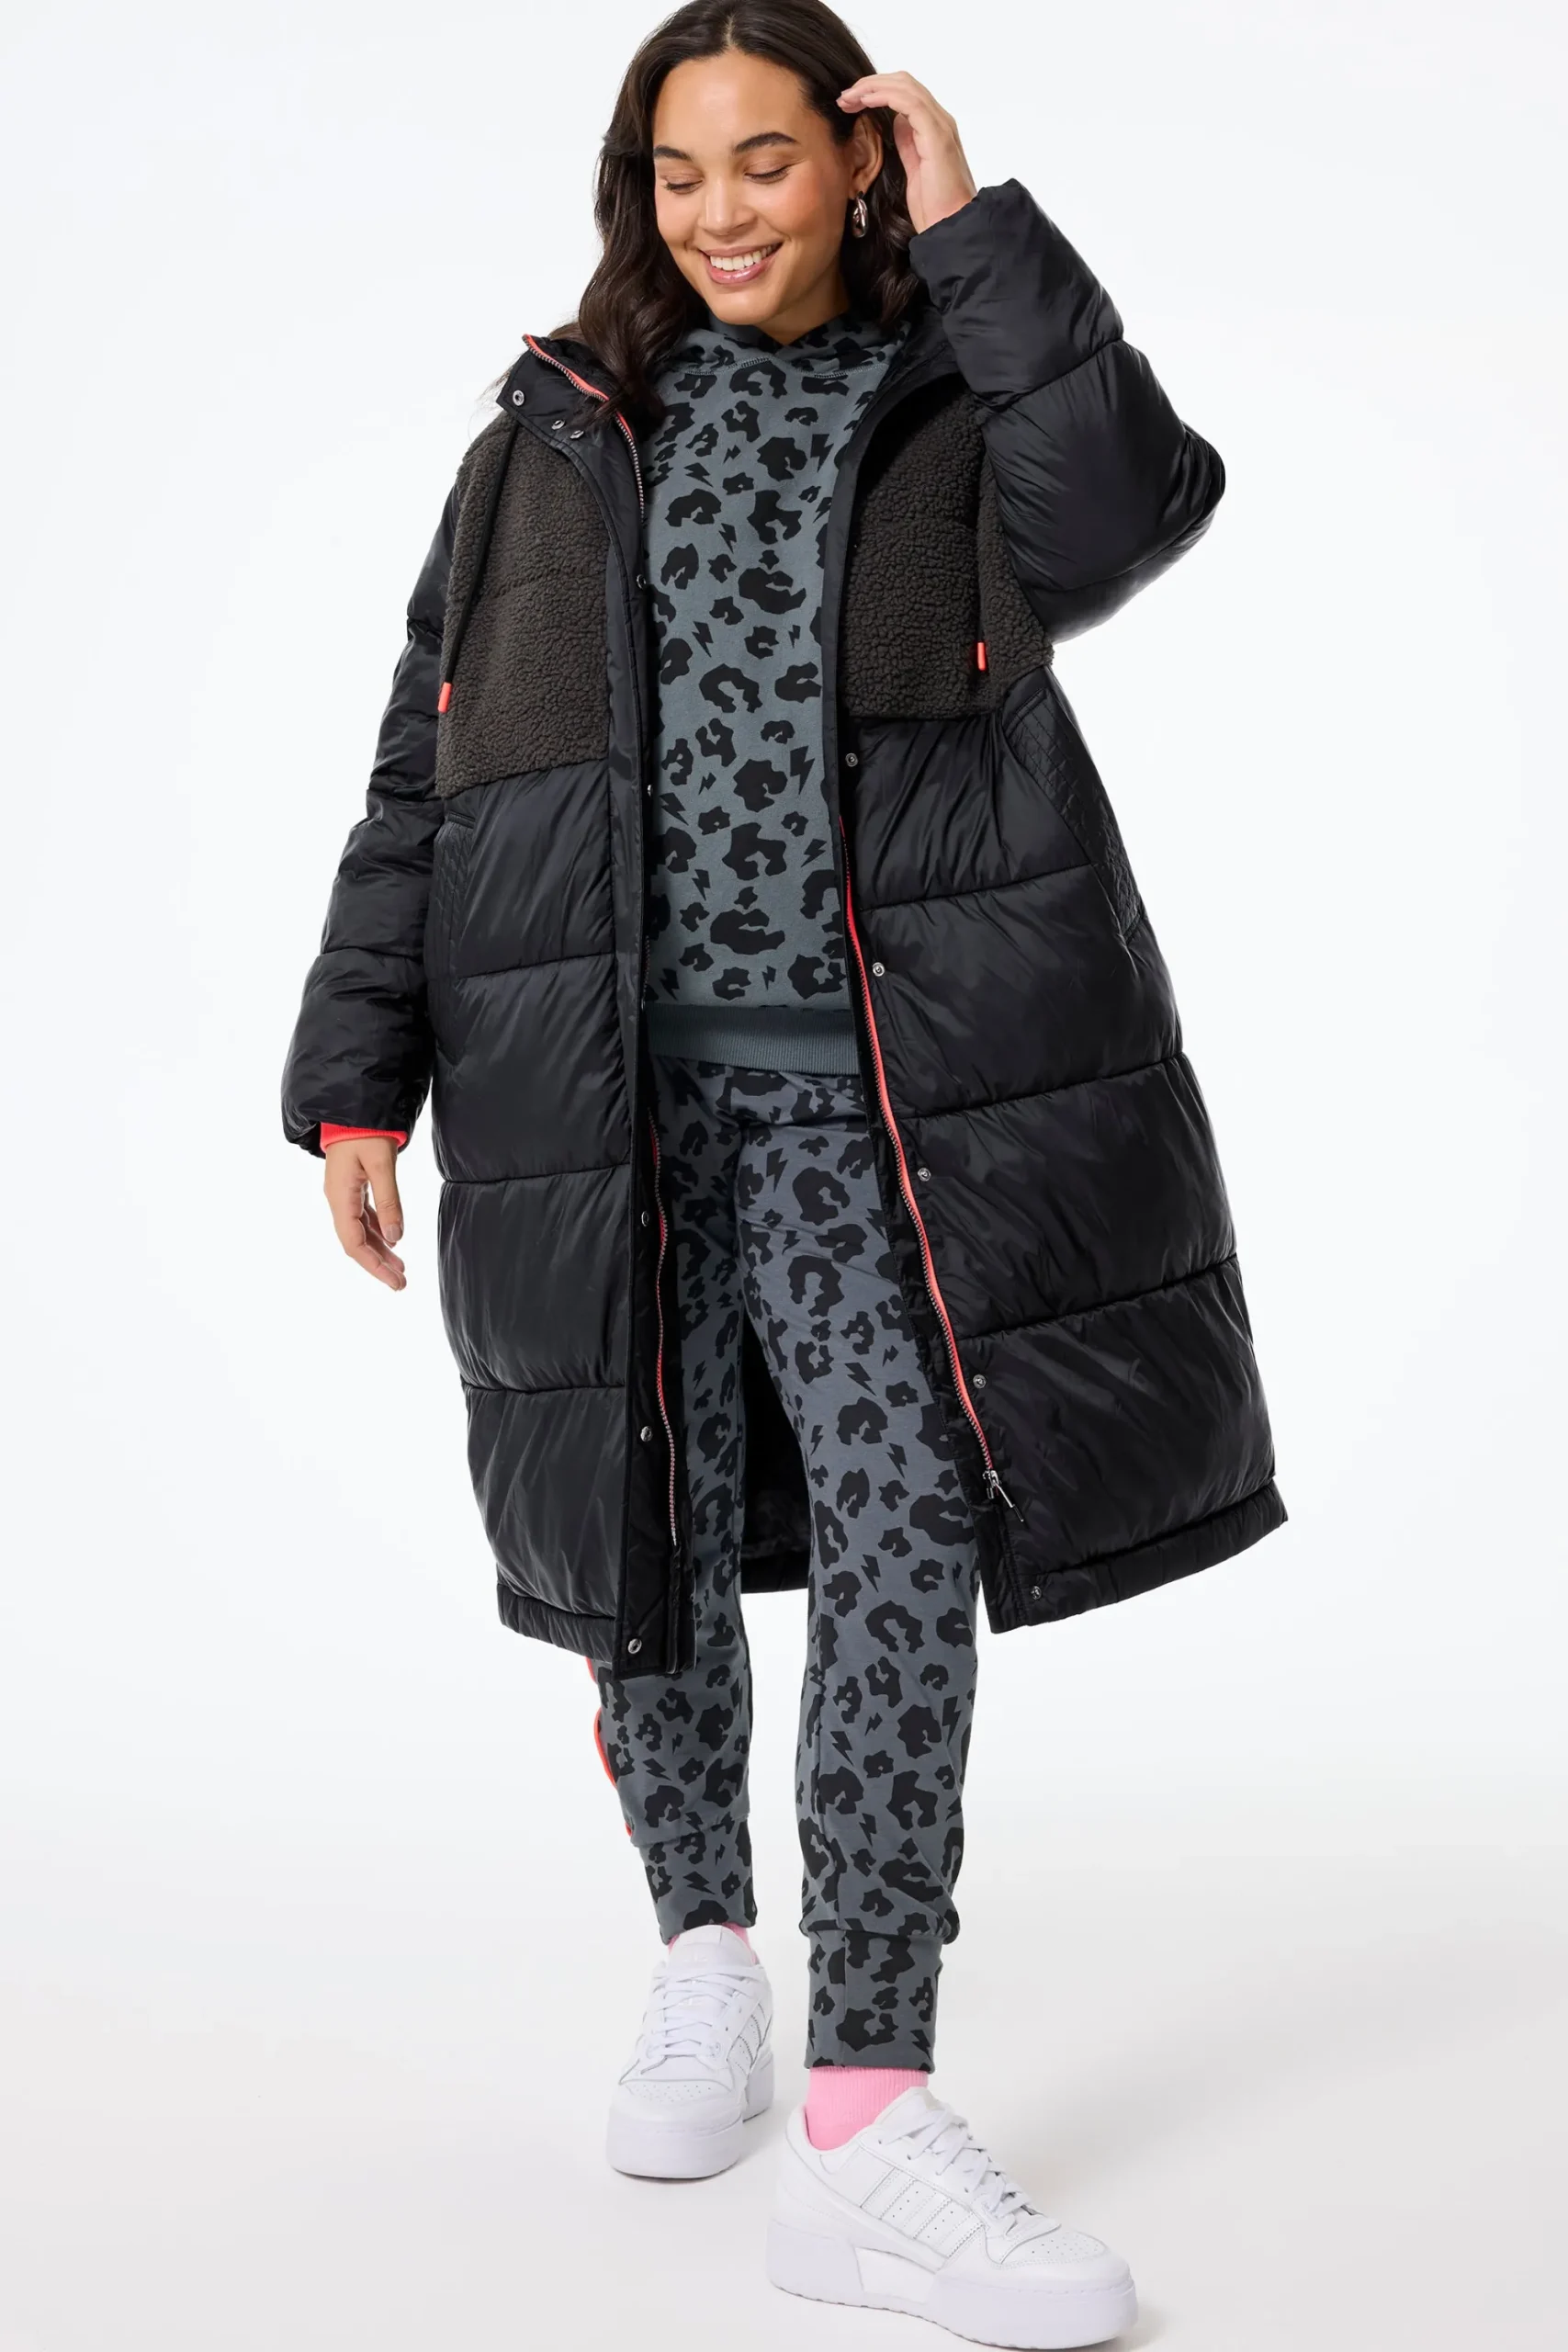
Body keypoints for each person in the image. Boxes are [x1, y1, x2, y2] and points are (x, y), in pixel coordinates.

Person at [281, 2, 1284, 2339]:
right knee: (640, 1550)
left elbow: (1128, 512)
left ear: (850, 165)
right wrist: (358, 1074)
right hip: (595, 1099)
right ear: (634, 197)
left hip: (879, 1099)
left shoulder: (955, 396)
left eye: (766, 160)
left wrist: (980, 226)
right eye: (678, 173)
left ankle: (866, 2105)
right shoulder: (549, 442)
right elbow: (430, 768)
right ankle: (703, 1957)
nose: (721, 211)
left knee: (905, 1531)